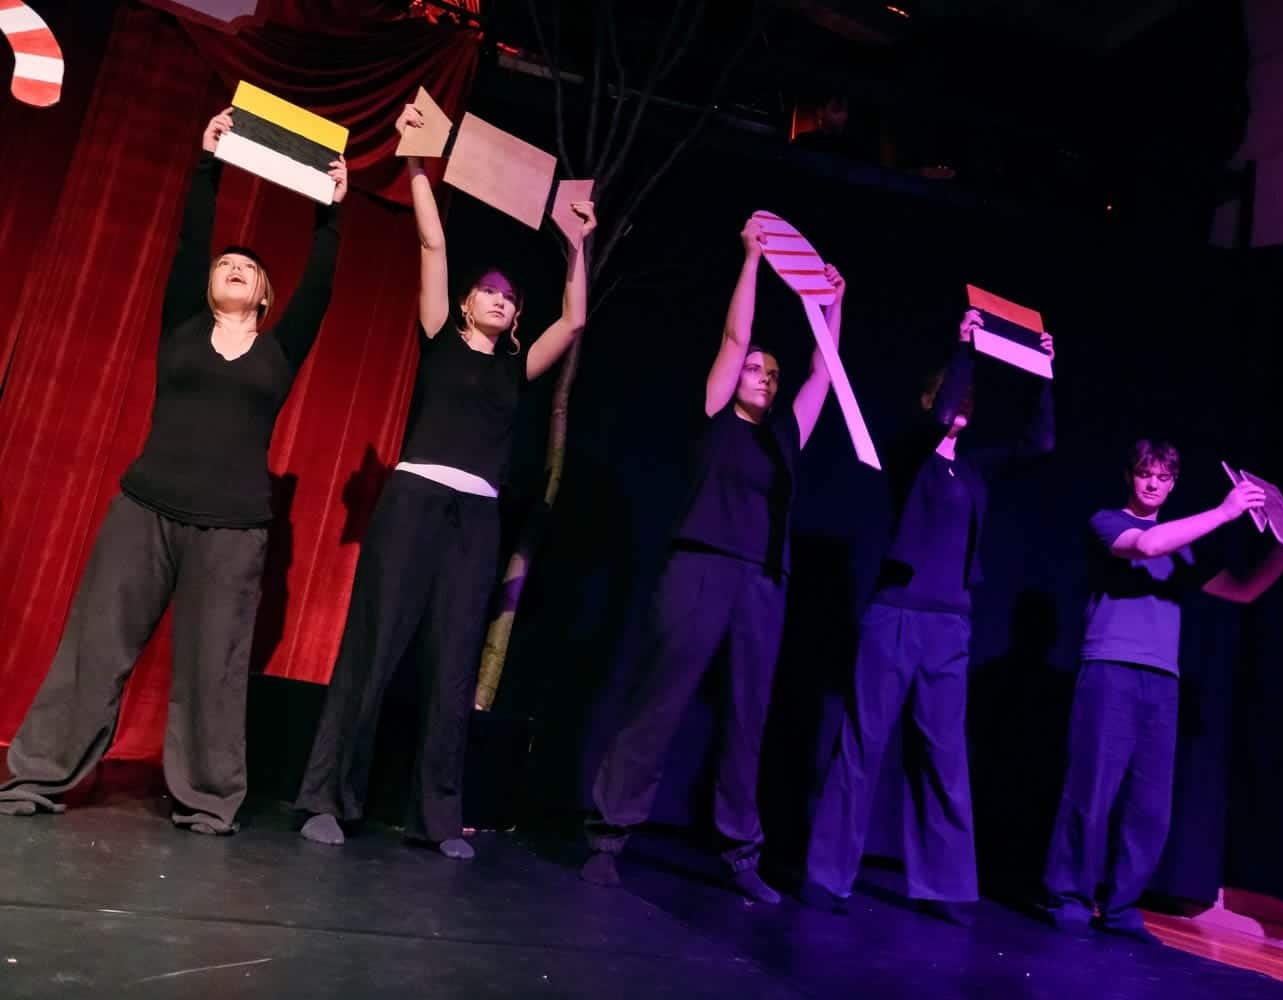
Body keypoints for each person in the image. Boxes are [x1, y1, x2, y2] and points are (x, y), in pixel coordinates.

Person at [0, 109, 346, 833]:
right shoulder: (183, 327)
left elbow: (319, 286)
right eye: (226, 264)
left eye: (248, 268)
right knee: (95, 648)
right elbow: (192, 243)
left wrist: (329, 212)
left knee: (213, 669)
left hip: (233, 530)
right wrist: (208, 164)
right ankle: (38, 775)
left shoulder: (279, 352)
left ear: (264, 296)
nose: (234, 267)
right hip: (145, 509)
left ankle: (210, 800)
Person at [294, 103, 595, 860]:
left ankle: (437, 818)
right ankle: (328, 798)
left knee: (455, 663)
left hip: (477, 518)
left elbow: (574, 322)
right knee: (375, 645)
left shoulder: (515, 367)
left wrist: (577, 245)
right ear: (466, 302)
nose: (501, 298)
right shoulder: (439, 338)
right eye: (489, 290)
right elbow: (432, 241)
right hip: (415, 499)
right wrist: (416, 163)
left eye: (511, 297)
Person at [581, 217, 845, 902]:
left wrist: (832, 305)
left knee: (747, 718)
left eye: (770, 374)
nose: (763, 378)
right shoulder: (717, 413)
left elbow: (824, 373)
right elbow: (734, 337)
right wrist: (752, 259)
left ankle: (740, 854)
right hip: (699, 567)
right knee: (660, 701)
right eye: (755, 369)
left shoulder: (786, 436)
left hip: (763, 581)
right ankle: (608, 837)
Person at [801, 309, 1055, 924]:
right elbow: (939, 415)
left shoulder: (974, 466)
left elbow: (1040, 443)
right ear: (931, 398)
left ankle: (943, 887)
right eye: (952, 393)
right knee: (862, 744)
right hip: (895, 615)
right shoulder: (910, 450)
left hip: (950, 625)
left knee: (944, 755)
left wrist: (1043, 372)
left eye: (969, 396)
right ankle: (827, 875)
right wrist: (962, 347)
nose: (962, 402)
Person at [1043, 440, 1283, 941]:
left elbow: (1245, 591)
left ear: (1173, 484)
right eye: (1145, 473)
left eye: (1163, 477)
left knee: (1149, 806)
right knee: (1091, 791)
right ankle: (1070, 898)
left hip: (1161, 681)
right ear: (1130, 476)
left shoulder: (1184, 546)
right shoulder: (1108, 522)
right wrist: (1225, 511)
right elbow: (1147, 546)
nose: (1153, 483)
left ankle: (1122, 908)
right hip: (1110, 668)